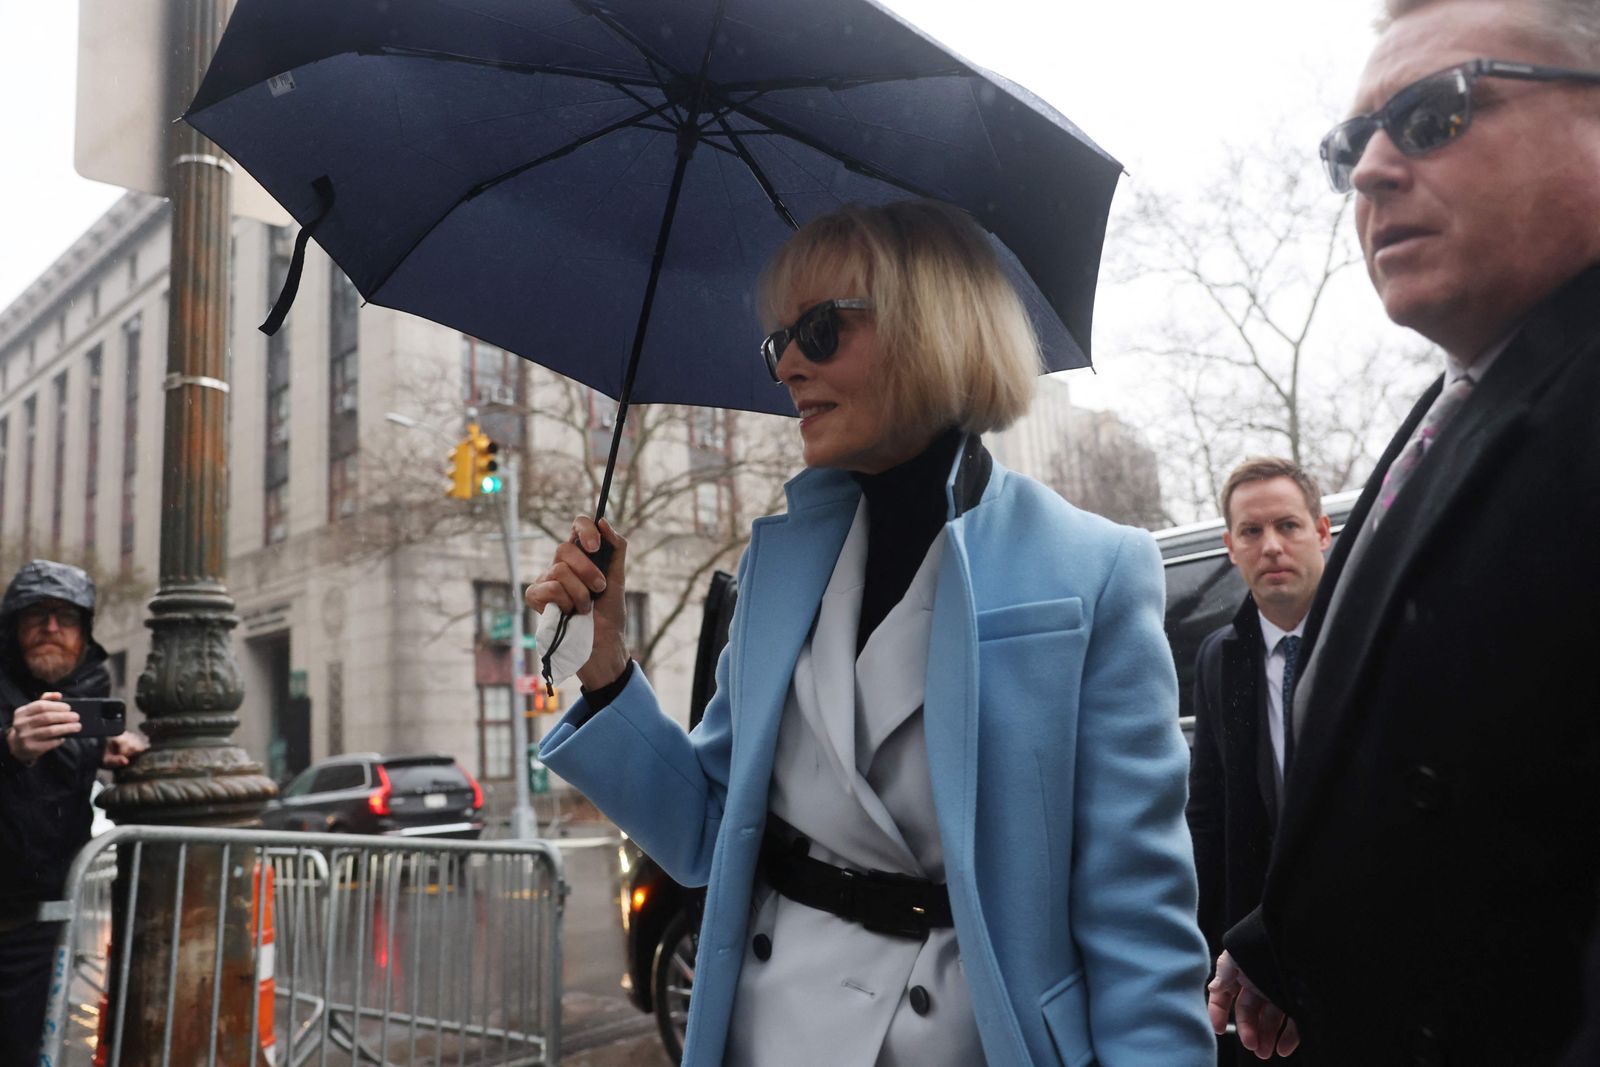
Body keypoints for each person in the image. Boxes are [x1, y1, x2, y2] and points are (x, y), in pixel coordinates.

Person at [529, 199, 1213, 1065]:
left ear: (934, 324)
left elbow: (1139, 932)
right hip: (769, 1034)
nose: (786, 370)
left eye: (819, 330)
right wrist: (605, 664)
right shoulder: (780, 564)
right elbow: (708, 832)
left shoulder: (1090, 569)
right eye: (777, 342)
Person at [1206, 1, 1600, 1062]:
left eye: (1432, 113)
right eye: (1352, 142)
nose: (1371, 169)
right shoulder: (1457, 395)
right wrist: (1280, 934)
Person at [1186, 459, 1330, 1066]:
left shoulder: (1371, 632)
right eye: (1250, 531)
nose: (1270, 546)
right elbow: (1209, 816)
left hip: (1359, 932)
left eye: (1288, 526)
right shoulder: (1221, 658)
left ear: (1323, 532)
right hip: (1256, 954)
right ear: (1229, 546)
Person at [0, 560, 144, 1065]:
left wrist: (101, 753)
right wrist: (10, 748)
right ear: (13, 625)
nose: (51, 628)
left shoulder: (89, 689)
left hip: (39, 927)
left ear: (84, 632)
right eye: (36, 615)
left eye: (66, 617)